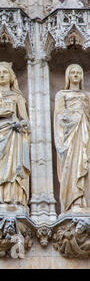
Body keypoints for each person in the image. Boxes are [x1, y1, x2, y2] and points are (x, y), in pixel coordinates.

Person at [0, 62, 31, 212]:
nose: (2, 75)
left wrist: (20, 125)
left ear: (11, 76)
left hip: (13, 135)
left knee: (13, 168)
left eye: (5, 72)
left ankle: (14, 198)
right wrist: (0, 114)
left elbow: (26, 121)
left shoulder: (17, 97)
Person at [54, 64, 89, 213]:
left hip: (84, 135)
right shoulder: (61, 95)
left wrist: (82, 116)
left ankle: (82, 200)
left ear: (82, 76)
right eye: (72, 72)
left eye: (78, 72)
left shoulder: (87, 95)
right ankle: (72, 201)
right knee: (72, 165)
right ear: (67, 76)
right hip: (70, 136)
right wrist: (76, 115)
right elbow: (59, 116)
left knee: (84, 164)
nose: (75, 75)